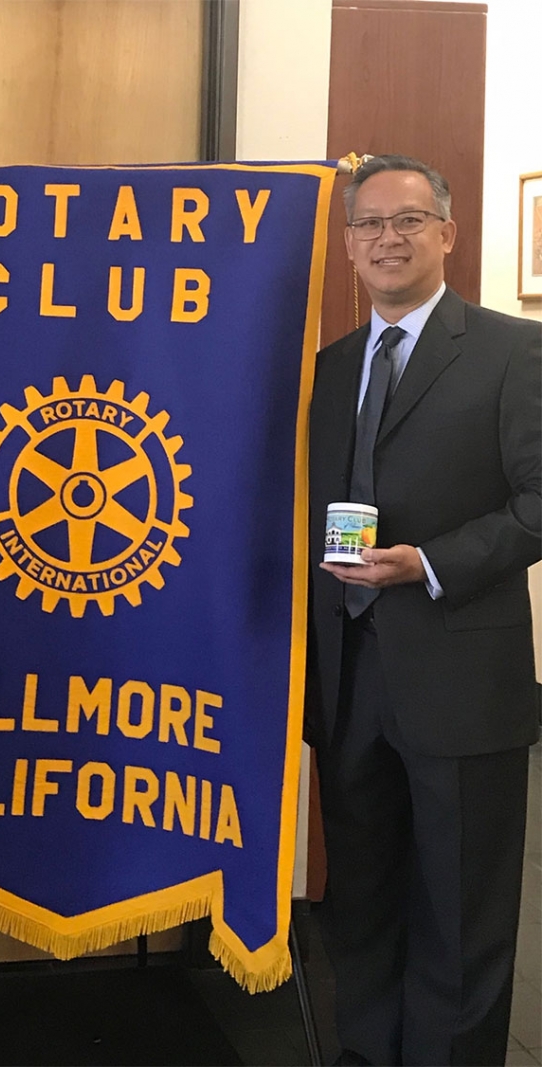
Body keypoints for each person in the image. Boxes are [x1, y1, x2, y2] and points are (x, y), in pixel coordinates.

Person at [306, 153, 541, 1066]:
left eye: (408, 221)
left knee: (459, 913)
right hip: (349, 679)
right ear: (349, 246)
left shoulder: (512, 351)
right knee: (359, 902)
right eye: (369, 224)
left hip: (461, 678)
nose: (387, 239)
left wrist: (431, 563)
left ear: (447, 234)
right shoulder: (326, 369)